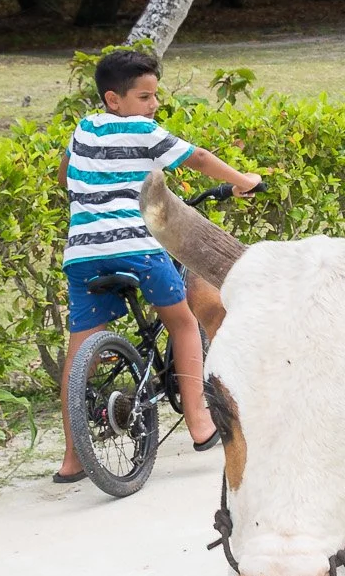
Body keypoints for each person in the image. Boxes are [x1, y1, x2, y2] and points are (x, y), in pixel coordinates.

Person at [57, 49, 264, 482]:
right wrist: (243, 181)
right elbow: (201, 159)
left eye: (154, 97)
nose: (153, 106)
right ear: (115, 100)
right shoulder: (144, 131)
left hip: (81, 254)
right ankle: (200, 422)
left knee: (80, 350)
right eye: (144, 96)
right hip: (136, 246)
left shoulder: (84, 130)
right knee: (184, 323)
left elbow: (64, 175)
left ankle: (72, 459)